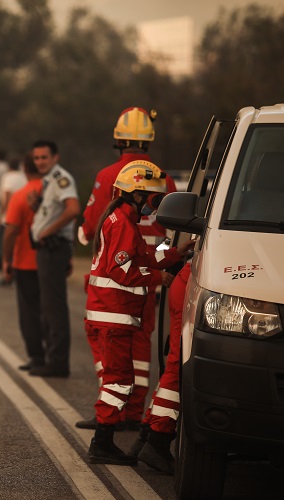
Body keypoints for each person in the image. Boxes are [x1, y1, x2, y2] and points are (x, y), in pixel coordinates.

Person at [75, 107, 179, 430]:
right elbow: (172, 231)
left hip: (117, 280)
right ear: (149, 142)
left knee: (110, 345)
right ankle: (133, 412)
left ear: (118, 141)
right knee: (140, 345)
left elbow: (89, 230)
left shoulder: (109, 177)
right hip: (148, 281)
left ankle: (110, 412)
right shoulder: (165, 179)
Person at [85, 160, 193, 465]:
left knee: (121, 378)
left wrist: (177, 253)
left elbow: (146, 254)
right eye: (154, 199)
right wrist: (160, 279)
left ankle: (103, 440)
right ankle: (102, 443)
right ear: (137, 195)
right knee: (118, 381)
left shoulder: (124, 221)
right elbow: (121, 271)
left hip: (110, 314)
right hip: (113, 315)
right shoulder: (121, 223)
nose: (154, 206)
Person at [130, 260, 191, 474]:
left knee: (174, 366)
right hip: (192, 283)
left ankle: (148, 434)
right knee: (177, 367)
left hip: (188, 280)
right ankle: (158, 440)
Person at [28, 140, 81, 378]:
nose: (40, 162)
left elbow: (72, 209)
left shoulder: (61, 179)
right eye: (36, 158)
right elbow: (53, 211)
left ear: (55, 157)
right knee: (48, 307)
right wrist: (36, 207)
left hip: (53, 248)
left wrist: (48, 231)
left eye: (44, 157)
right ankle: (53, 359)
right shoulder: (48, 180)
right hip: (49, 250)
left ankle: (58, 363)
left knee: (54, 308)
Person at [1, 153, 44, 370]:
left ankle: (37, 357)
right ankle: (53, 355)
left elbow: (10, 231)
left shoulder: (20, 195)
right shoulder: (53, 191)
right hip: (49, 262)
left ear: (25, 170)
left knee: (29, 312)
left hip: (25, 262)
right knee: (50, 311)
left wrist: (6, 260)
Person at [0, 155, 28, 286]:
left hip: (8, 217)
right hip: (22, 217)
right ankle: (16, 272)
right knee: (17, 247)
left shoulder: (8, 177)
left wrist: (1, 214)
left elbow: (7, 196)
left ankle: (7, 273)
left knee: (3, 247)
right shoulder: (23, 177)